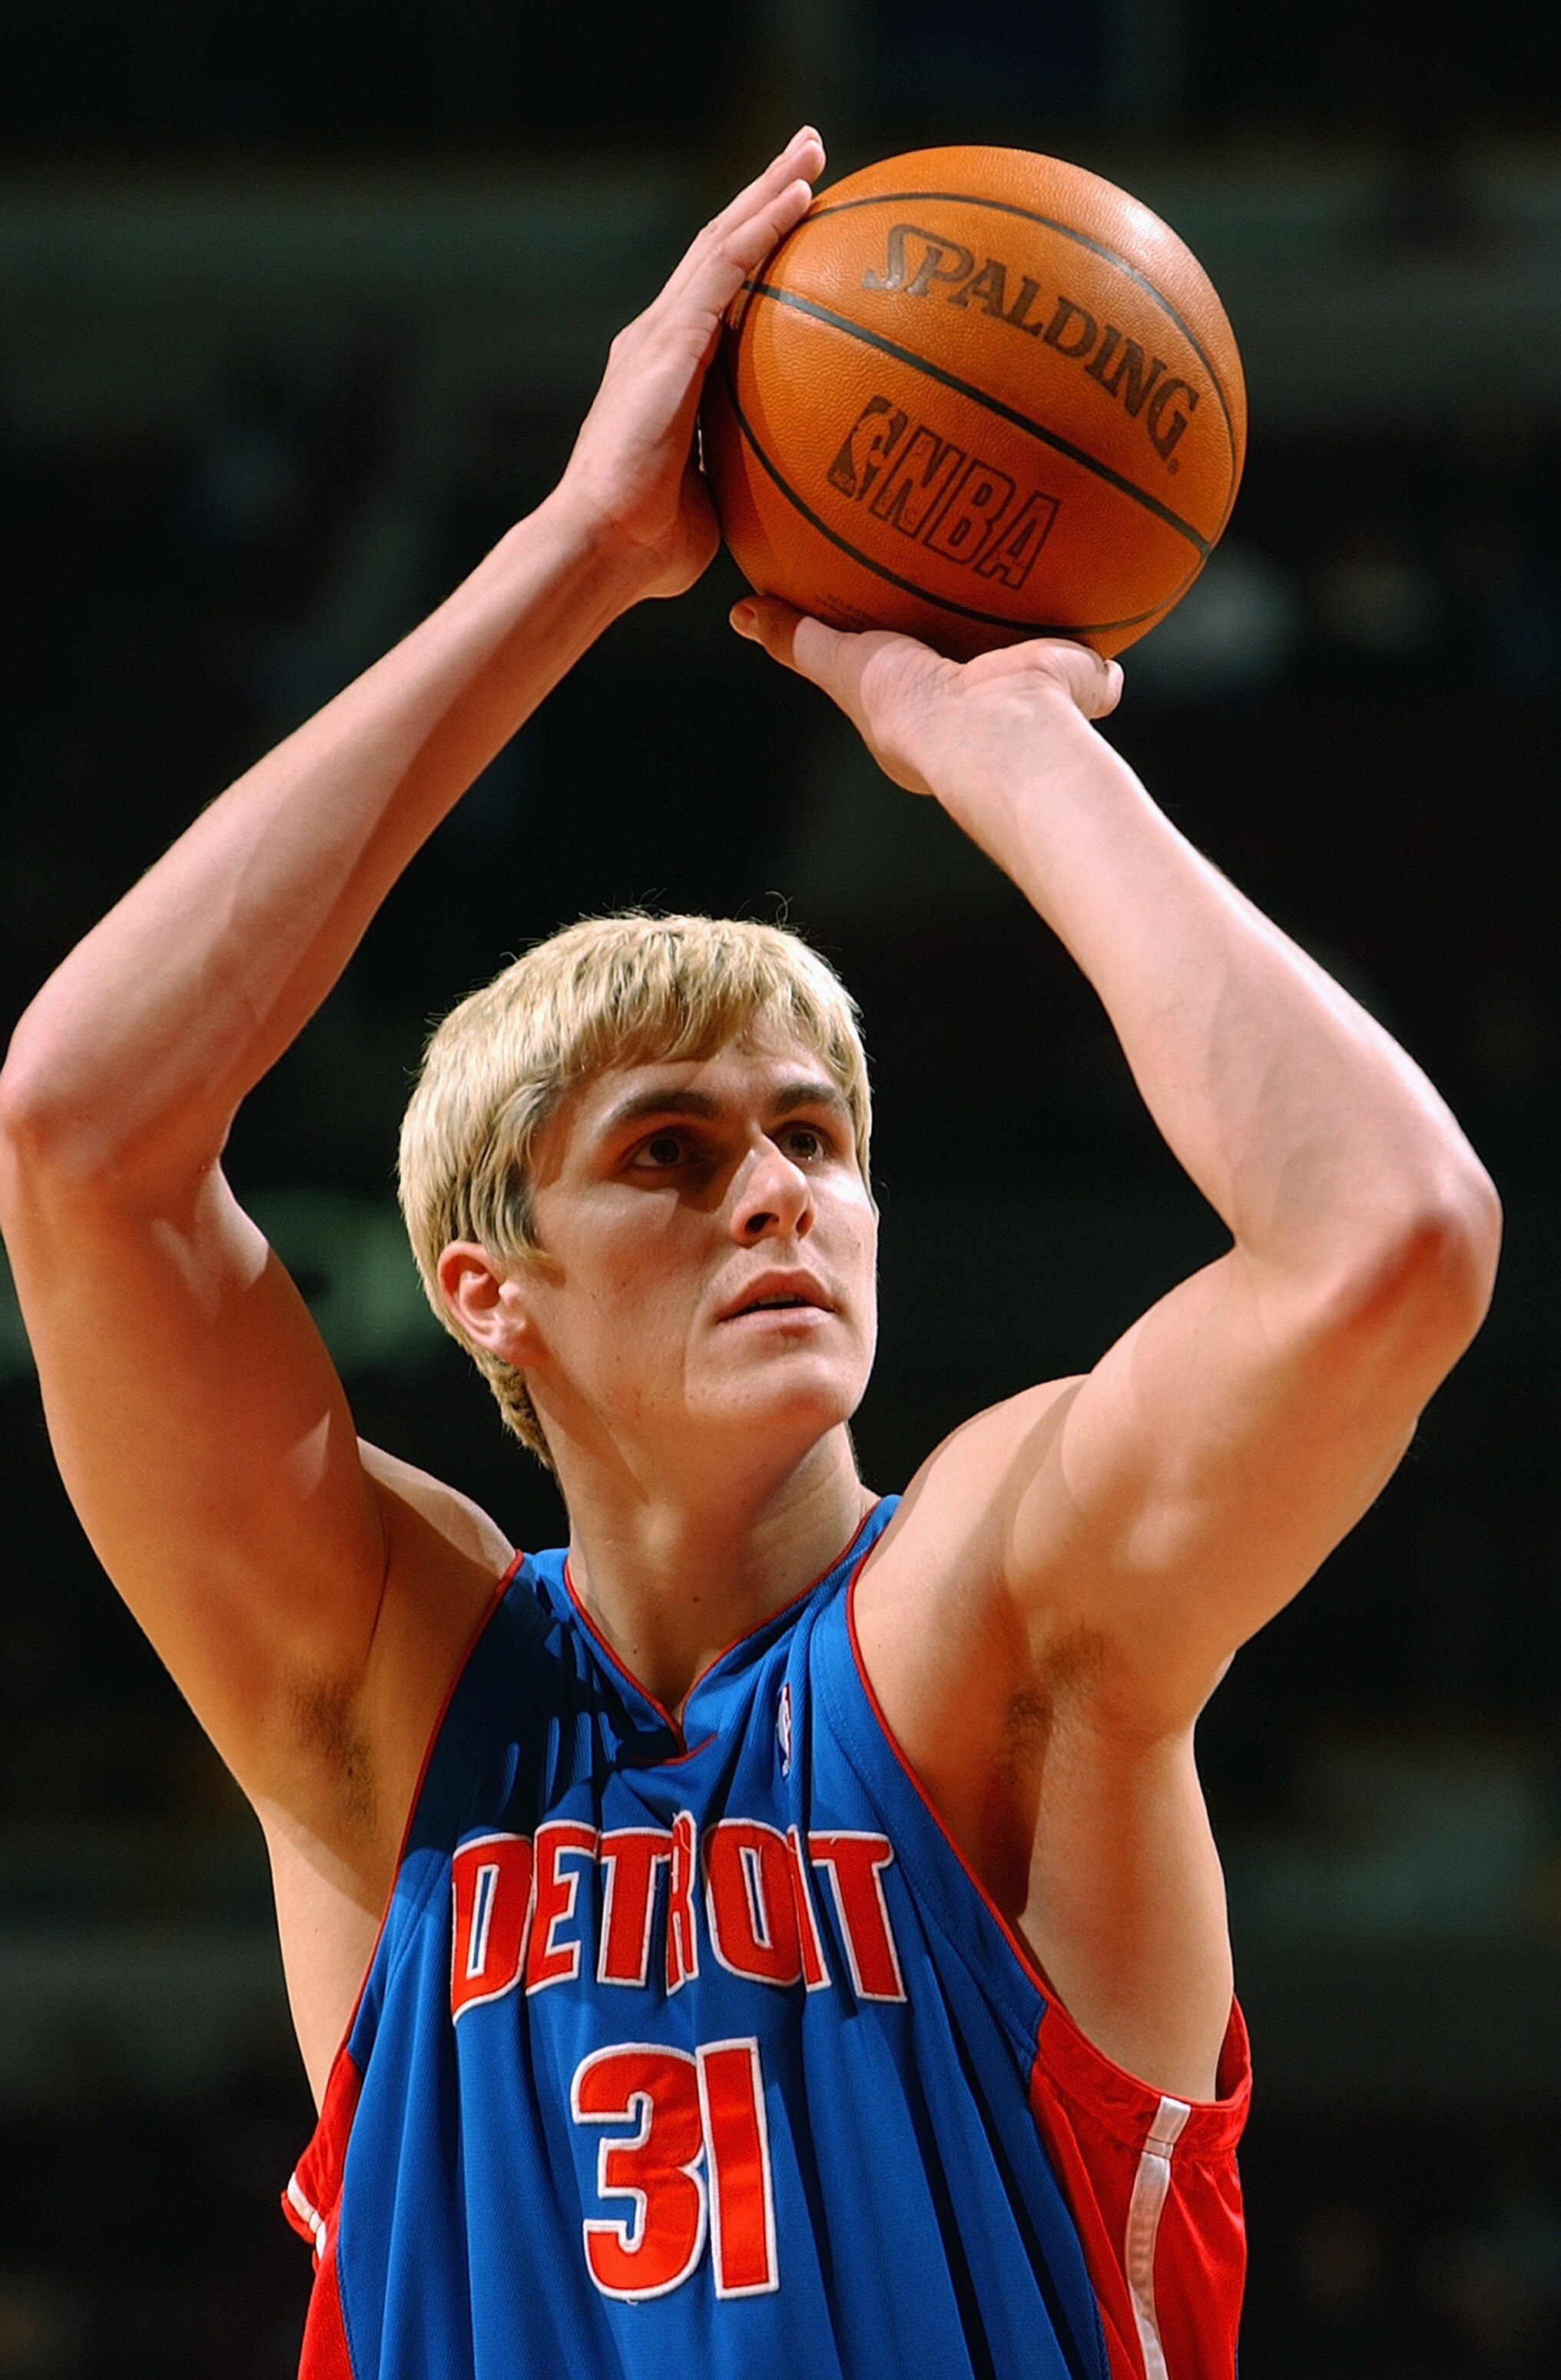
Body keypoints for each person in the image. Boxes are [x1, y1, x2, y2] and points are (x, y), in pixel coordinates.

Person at [0, 128, 1500, 2380]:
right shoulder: (387, 1687)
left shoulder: (992, 1619)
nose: (780, 1188)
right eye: (674, 1153)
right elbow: (77, 1130)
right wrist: (578, 554)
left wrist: (1004, 750)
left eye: (818, 1137)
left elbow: (1389, 1234)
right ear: (486, 1282)